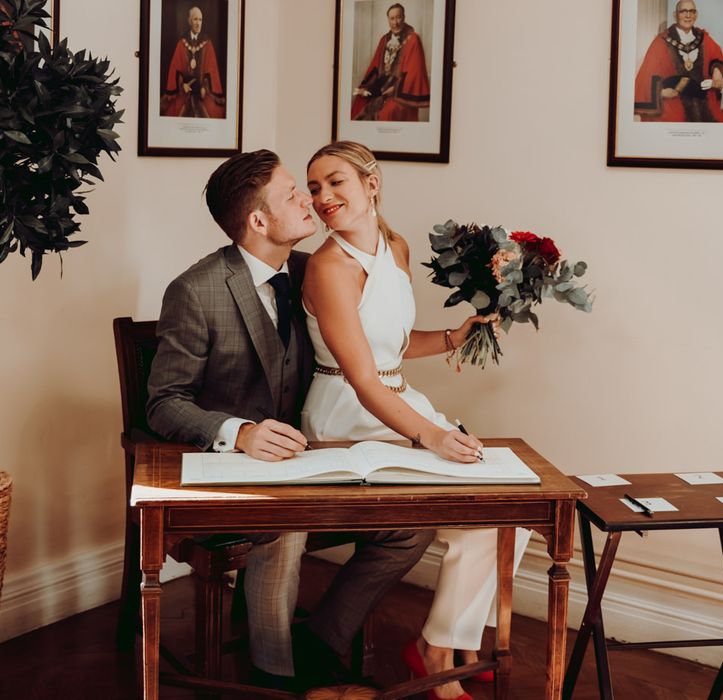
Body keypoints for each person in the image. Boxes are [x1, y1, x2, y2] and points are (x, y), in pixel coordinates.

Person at [146, 149, 433, 690]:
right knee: (286, 528)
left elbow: (363, 354)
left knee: (412, 524)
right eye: (293, 194)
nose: (312, 200)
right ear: (258, 221)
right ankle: (273, 677)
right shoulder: (196, 290)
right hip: (232, 471)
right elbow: (163, 403)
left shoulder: (312, 272)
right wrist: (240, 433)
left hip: (308, 460)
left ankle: (321, 639)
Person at [302, 141, 531, 700]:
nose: (324, 197)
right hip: (347, 418)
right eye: (313, 189)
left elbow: (391, 351)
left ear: (370, 184)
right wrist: (430, 435)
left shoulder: (395, 246)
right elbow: (361, 376)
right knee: (476, 503)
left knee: (510, 516)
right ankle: (437, 655)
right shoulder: (328, 267)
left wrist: (459, 335)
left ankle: (441, 643)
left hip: (399, 400)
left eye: (336, 183)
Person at [634, 0, 723, 122]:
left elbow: (717, 58)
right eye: (683, 11)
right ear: (675, 15)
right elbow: (647, 75)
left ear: (696, 15)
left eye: (692, 11)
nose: (688, 15)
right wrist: (662, 92)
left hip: (703, 102)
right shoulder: (661, 41)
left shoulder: (704, 38)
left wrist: (717, 70)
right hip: (673, 102)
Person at [351, 3, 430, 122]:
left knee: (387, 113)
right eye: (392, 18)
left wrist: (394, 89)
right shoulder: (384, 40)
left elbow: (415, 73)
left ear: (404, 17)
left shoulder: (413, 39)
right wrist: (367, 88)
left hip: (400, 93)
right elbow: (375, 68)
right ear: (388, 19)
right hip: (381, 88)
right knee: (359, 103)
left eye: (398, 17)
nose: (395, 22)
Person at [161, 6, 225, 118]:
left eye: (200, 20)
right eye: (195, 19)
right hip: (185, 91)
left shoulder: (207, 43)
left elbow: (212, 70)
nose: (198, 23)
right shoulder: (181, 43)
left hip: (202, 92)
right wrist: (182, 85)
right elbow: (175, 69)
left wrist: (205, 88)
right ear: (189, 21)